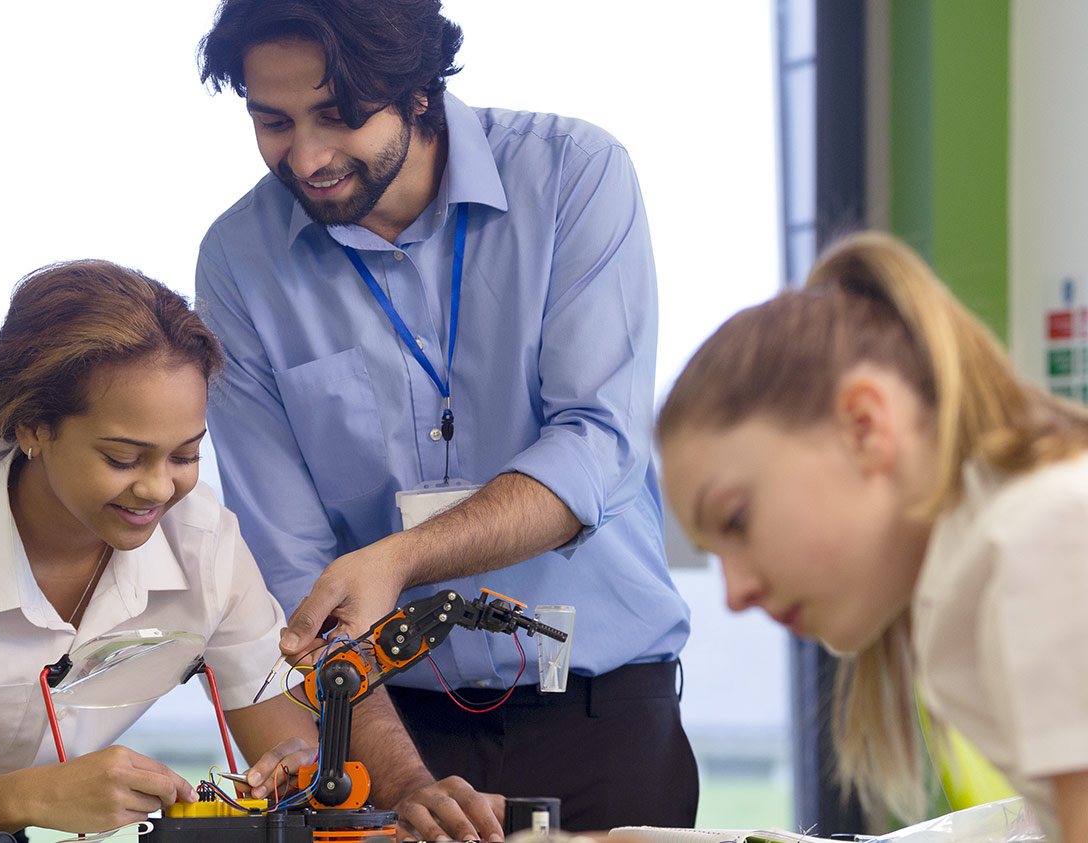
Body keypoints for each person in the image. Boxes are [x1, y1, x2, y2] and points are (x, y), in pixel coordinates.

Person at [194, 0, 698, 832]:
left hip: (605, 717)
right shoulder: (239, 261)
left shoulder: (576, 173)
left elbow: (596, 446)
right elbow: (291, 559)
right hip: (388, 723)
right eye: (273, 121)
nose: (308, 157)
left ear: (418, 90)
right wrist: (400, 780)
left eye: (339, 116)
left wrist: (402, 558)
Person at [656, 231, 1088, 841]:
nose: (735, 594)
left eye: (736, 521)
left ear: (863, 426)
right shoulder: (975, 570)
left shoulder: (1038, 541)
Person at [0, 261, 320, 833]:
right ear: (32, 428)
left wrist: (296, 771)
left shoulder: (203, 541)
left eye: (186, 455)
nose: (159, 489)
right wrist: (31, 798)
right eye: (122, 459)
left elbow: (292, 747)